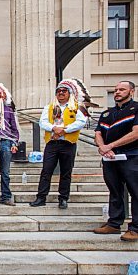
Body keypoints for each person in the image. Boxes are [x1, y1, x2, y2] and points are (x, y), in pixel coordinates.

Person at [30, 79, 87, 209]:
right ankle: (41, 197)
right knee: (46, 170)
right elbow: (42, 122)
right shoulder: (49, 107)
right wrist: (53, 128)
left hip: (68, 143)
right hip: (52, 143)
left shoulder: (76, 107)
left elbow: (81, 122)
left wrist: (64, 130)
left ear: (69, 93)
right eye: (58, 91)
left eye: (64, 91)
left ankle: (63, 198)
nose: (61, 93)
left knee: (66, 172)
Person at [93, 81, 137, 242]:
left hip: (132, 156)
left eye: (122, 89)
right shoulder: (107, 113)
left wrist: (111, 145)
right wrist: (103, 147)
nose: (117, 92)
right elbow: (98, 132)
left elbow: (136, 133)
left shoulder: (136, 109)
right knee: (115, 190)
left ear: (131, 91)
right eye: (116, 90)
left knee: (135, 191)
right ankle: (114, 222)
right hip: (110, 158)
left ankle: (135, 228)